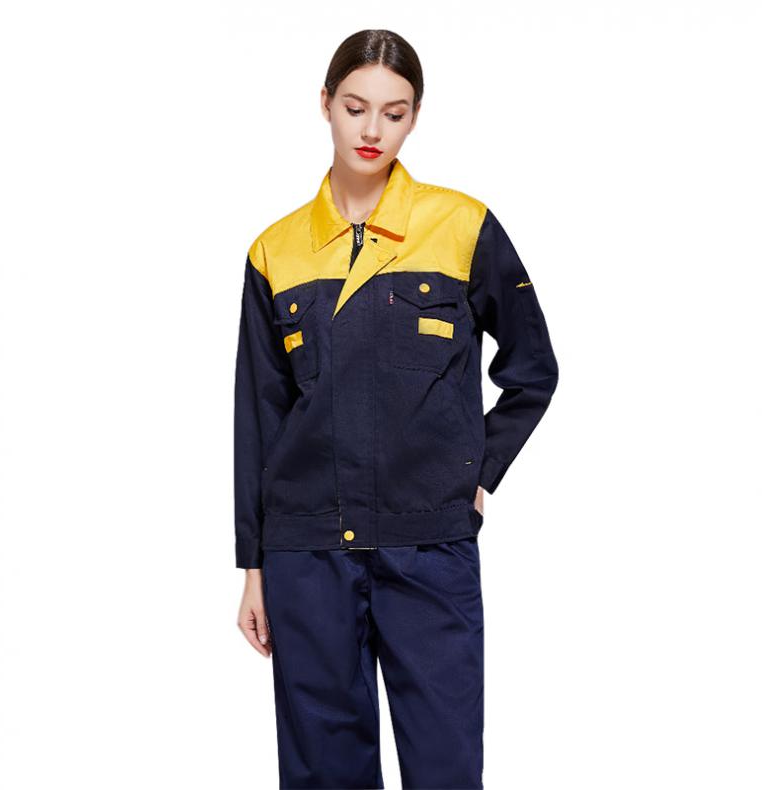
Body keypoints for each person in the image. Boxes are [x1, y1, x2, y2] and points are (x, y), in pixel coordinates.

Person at [233, 29, 559, 790]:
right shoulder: (275, 250)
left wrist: (479, 472)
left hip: (429, 545)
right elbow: (259, 416)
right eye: (355, 108)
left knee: (446, 766)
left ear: (415, 115)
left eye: (394, 112)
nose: (372, 130)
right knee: (323, 774)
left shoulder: (461, 227)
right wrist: (253, 565)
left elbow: (532, 370)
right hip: (307, 551)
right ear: (325, 104)